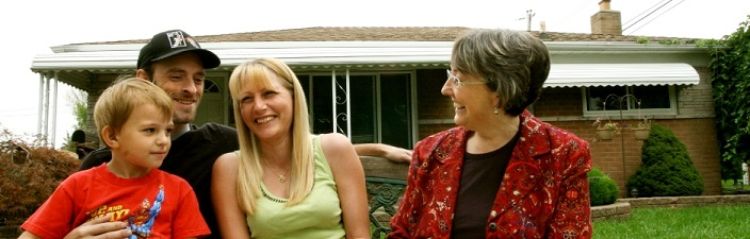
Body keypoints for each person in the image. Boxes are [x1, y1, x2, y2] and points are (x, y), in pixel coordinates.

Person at [75, 29, 410, 238]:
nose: (190, 88)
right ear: (144, 79)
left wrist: (375, 149)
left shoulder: (218, 143)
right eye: (176, 76)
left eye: (198, 78)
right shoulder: (101, 164)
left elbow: (287, 145)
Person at [389, 29, 593, 238]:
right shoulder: (430, 152)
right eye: (450, 76)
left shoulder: (563, 154)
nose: (445, 89)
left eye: (458, 79)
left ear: (500, 91)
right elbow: (402, 230)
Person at [20, 78, 209, 239]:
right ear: (112, 136)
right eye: (150, 130)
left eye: (167, 130)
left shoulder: (178, 190)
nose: (163, 141)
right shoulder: (77, 186)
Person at [212, 58, 370, 238]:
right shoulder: (229, 168)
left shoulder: (335, 149)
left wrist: (378, 149)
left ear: (294, 97)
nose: (259, 106)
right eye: (246, 99)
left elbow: (359, 235)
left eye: (269, 93)